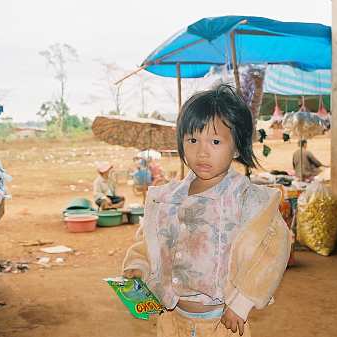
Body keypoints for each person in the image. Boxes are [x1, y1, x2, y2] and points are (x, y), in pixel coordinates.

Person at [122, 84, 292, 337]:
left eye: (215, 141)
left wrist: (242, 303)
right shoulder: (168, 198)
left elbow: (270, 250)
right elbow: (150, 241)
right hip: (172, 319)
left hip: (222, 322)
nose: (202, 151)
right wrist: (138, 266)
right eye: (192, 140)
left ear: (236, 147)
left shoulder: (246, 199)